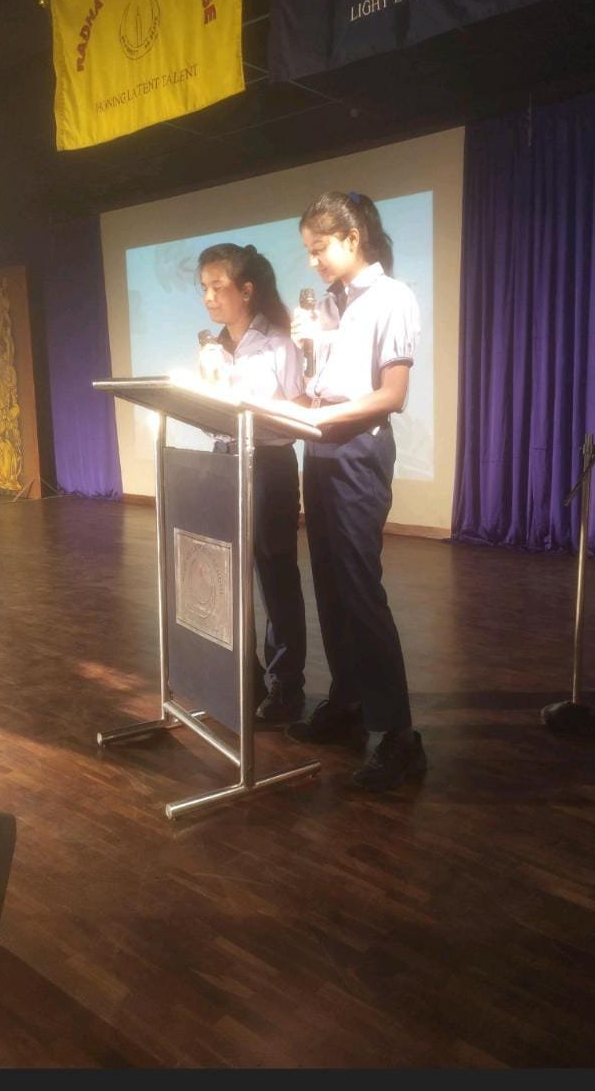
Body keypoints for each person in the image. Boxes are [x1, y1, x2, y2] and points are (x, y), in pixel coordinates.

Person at [265, 190, 428, 793]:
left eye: (319, 249)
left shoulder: (392, 298)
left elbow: (392, 395)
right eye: (308, 252)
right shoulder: (331, 304)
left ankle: (398, 735)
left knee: (360, 589)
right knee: (330, 586)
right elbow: (320, 386)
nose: (313, 262)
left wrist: (321, 416)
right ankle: (349, 703)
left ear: (353, 238)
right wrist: (301, 372)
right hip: (320, 446)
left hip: (358, 450)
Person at [196, 242, 308, 725]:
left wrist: (247, 406)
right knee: (225, 573)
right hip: (224, 460)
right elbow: (209, 414)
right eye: (203, 288)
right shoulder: (213, 347)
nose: (208, 297)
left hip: (268, 464)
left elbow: (301, 412)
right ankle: (245, 675)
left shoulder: (279, 343)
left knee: (275, 574)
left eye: (217, 286)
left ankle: (286, 683)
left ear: (246, 290)